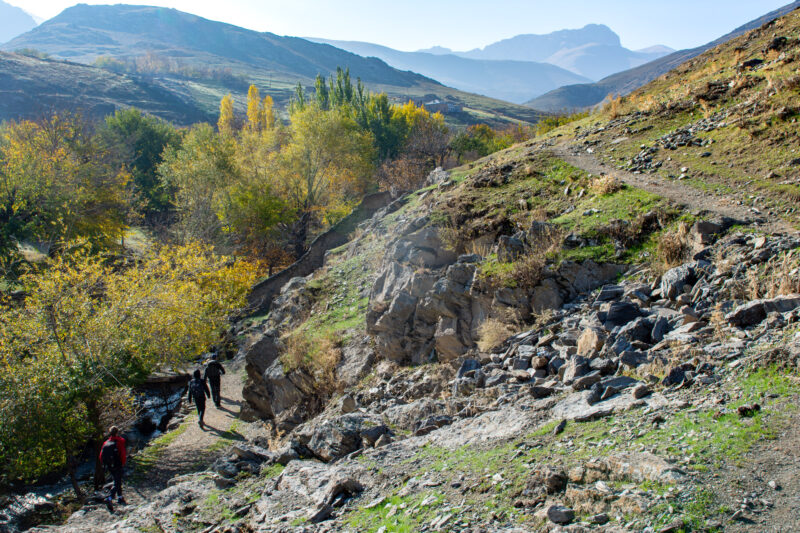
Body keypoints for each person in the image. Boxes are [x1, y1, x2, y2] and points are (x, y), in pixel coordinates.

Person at [99, 426, 127, 512]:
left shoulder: (106, 442)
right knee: (117, 482)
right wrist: (123, 463)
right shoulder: (120, 441)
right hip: (117, 464)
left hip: (109, 465)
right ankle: (109, 497)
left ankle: (120, 497)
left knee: (116, 479)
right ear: (117, 432)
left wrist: (105, 464)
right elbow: (122, 453)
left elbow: (101, 456)